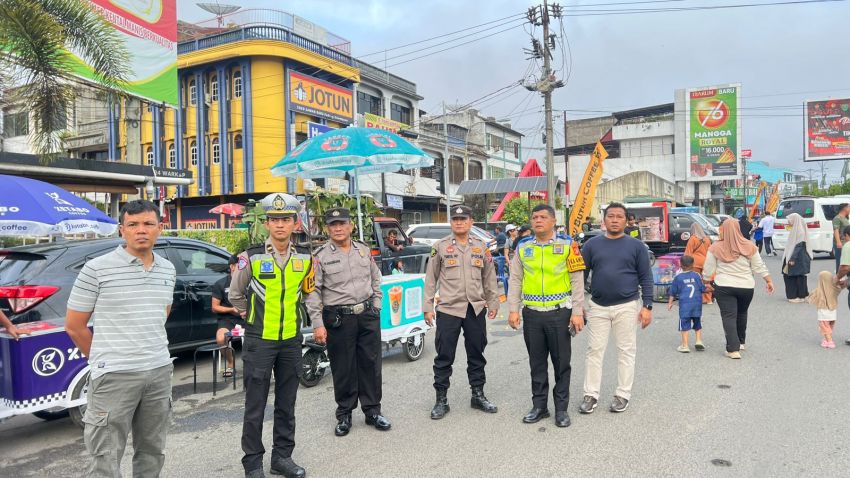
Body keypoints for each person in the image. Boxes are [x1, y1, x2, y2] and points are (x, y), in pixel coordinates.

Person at [65, 200, 176, 478]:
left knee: (152, 451)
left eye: (149, 224)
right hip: (114, 376)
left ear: (159, 229)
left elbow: (162, 313)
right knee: (105, 457)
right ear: (121, 230)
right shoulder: (97, 269)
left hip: (159, 371)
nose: (141, 230)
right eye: (133, 224)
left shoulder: (167, 269)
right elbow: (75, 326)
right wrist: (105, 359)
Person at [229, 193, 314, 478]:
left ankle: (282, 458)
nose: (280, 225)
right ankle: (252, 463)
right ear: (267, 224)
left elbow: (308, 294)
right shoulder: (250, 257)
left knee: (287, 403)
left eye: (285, 219)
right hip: (259, 341)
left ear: (294, 223)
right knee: (255, 405)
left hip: (291, 340)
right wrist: (250, 316)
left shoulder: (305, 257)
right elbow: (236, 294)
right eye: (274, 220)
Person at [306, 207, 389, 437]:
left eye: (342, 223)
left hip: (367, 315)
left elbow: (375, 277)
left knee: (371, 365)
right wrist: (317, 323)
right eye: (333, 224)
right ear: (327, 229)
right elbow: (312, 291)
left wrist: (377, 303)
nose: (338, 228)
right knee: (343, 368)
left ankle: (373, 411)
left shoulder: (362, 250)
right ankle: (344, 414)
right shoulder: (320, 256)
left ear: (351, 225)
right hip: (338, 318)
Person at [507, 204, 585, 427]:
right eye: (534, 217)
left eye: (543, 217)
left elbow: (577, 280)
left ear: (553, 222)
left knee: (561, 363)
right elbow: (515, 280)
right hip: (532, 314)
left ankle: (561, 409)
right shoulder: (523, 247)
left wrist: (577, 312)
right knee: (537, 363)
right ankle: (539, 406)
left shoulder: (569, 245)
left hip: (559, 313)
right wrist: (513, 309)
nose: (537, 220)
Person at [424, 205, 501, 420]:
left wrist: (493, 302)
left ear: (471, 222)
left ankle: (478, 395)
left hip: (475, 308)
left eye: (463, 219)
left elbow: (489, 277)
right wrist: (427, 307)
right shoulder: (439, 247)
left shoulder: (481, 247)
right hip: (449, 308)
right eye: (455, 219)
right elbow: (431, 279)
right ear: (451, 223)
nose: (459, 222)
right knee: (444, 355)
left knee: (476, 353)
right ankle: (441, 400)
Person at [578, 202, 653, 415]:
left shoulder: (636, 246)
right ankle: (590, 395)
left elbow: (646, 277)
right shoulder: (592, 245)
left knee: (626, 351)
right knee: (594, 351)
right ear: (604, 219)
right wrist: (578, 305)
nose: (614, 220)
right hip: (598, 306)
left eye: (619, 216)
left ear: (625, 220)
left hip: (627, 305)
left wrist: (647, 305)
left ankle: (622, 394)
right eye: (610, 216)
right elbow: (581, 275)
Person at [702, 219, 774, 360]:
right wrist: (769, 280)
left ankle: (732, 349)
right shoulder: (749, 245)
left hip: (724, 286)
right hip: (746, 287)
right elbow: (759, 266)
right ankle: (741, 342)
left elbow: (708, 269)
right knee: (742, 313)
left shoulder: (715, 247)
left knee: (729, 316)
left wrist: (706, 282)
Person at [212, 254, 245, 377]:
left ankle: (258, 364)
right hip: (228, 319)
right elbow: (215, 307)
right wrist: (231, 309)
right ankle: (231, 364)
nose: (243, 268)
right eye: (240, 265)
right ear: (232, 266)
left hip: (247, 318)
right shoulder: (220, 284)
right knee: (221, 338)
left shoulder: (250, 281)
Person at [667, 255, 705, 353]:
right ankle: (698, 341)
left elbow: (673, 292)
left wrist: (670, 303)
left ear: (680, 265)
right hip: (697, 304)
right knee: (697, 322)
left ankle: (685, 345)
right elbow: (702, 289)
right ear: (693, 265)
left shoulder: (678, 278)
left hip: (685, 306)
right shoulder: (697, 275)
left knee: (684, 324)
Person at [782, 213, 812, 303]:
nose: (789, 222)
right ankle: (802, 295)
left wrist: (792, 258)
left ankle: (793, 296)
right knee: (800, 276)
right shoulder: (798, 229)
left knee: (789, 276)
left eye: (790, 221)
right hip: (800, 258)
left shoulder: (799, 231)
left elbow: (799, 246)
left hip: (795, 257)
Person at [808, 271, 841, 348]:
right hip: (833, 311)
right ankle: (827, 339)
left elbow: (811, 298)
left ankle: (830, 342)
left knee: (824, 326)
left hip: (823, 311)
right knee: (830, 325)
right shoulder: (835, 288)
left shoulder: (819, 290)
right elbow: (840, 288)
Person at [684, 223, 713, 304]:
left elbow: (688, 252)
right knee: (706, 281)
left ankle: (697, 299)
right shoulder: (707, 239)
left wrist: (684, 264)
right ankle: (708, 299)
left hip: (695, 263)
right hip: (705, 262)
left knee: (695, 281)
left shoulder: (693, 238)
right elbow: (710, 252)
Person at [832, 203, 850, 273]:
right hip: (841, 243)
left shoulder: (845, 218)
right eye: (849, 207)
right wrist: (838, 242)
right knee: (840, 262)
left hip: (846, 242)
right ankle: (838, 278)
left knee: (846, 261)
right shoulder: (837, 218)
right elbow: (836, 230)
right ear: (844, 208)